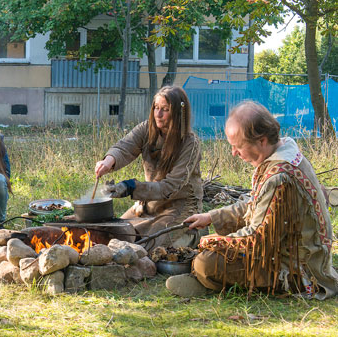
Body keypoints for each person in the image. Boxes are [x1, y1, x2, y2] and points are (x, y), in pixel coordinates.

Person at [167, 101, 338, 299]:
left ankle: (208, 281)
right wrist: (211, 216)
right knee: (220, 240)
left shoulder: (279, 177)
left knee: (205, 262)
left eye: (238, 146)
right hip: (291, 249)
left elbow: (257, 238)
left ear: (262, 140)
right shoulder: (282, 152)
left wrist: (214, 242)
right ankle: (209, 279)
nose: (234, 153)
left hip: (298, 269)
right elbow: (254, 204)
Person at [95, 86, 204, 250]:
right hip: (149, 204)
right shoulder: (146, 129)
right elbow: (124, 147)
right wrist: (108, 161)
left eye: (165, 110)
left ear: (178, 113)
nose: (158, 114)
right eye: (156, 108)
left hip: (179, 207)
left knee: (149, 246)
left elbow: (171, 186)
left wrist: (131, 187)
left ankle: (193, 235)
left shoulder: (190, 143)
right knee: (113, 234)